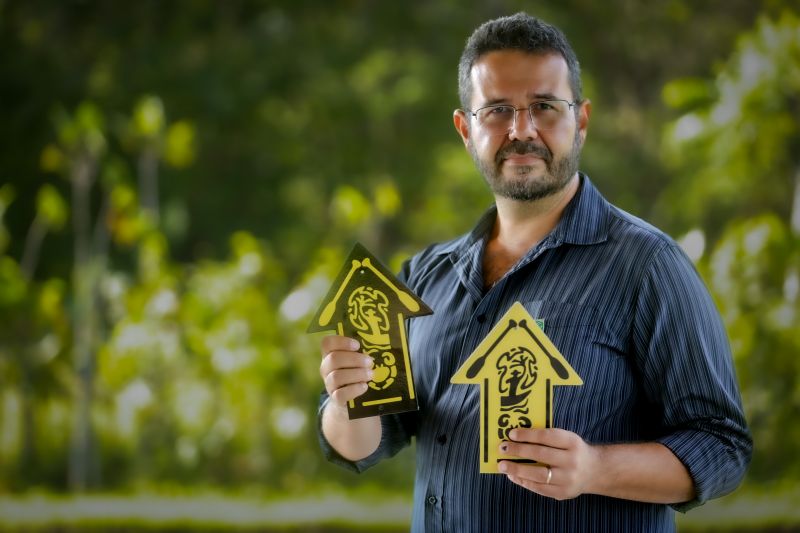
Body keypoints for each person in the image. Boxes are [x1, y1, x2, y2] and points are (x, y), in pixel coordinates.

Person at [317, 12, 752, 532]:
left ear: (582, 120)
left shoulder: (647, 266)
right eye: (498, 110)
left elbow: (721, 445)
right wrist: (348, 403)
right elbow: (371, 441)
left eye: (544, 106)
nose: (521, 130)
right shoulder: (426, 275)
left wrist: (595, 469)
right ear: (465, 129)